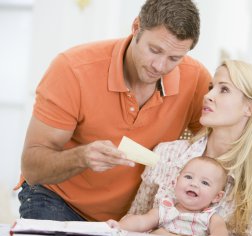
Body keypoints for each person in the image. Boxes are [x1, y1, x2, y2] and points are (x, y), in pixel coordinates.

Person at [16, 0, 211, 222]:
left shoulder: (195, 79)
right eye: (154, 50)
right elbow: (32, 168)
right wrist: (81, 157)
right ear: (136, 27)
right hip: (58, 200)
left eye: (174, 58)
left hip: (133, 217)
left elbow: (215, 143)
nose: (160, 66)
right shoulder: (72, 69)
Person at [127, 59, 252, 236]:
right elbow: (131, 225)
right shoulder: (167, 153)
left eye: (223, 90)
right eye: (211, 87)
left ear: (250, 109)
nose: (208, 95)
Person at [107, 156, 231, 236]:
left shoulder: (210, 217)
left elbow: (220, 229)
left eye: (205, 183)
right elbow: (142, 221)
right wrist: (121, 226)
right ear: (175, 182)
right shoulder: (165, 208)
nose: (193, 184)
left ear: (217, 197)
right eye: (188, 177)